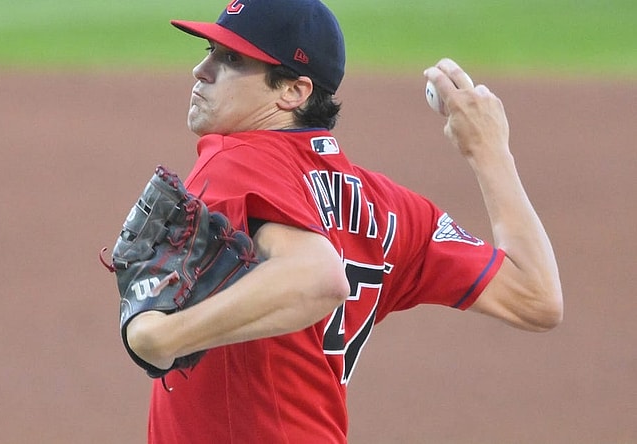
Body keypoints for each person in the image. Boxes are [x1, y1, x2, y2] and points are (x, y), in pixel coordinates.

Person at [123, 0, 564, 442]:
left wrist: (163, 338)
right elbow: (535, 296)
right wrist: (489, 152)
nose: (202, 70)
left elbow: (318, 277)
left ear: (293, 92)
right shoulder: (390, 207)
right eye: (210, 50)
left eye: (232, 59)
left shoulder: (235, 160)